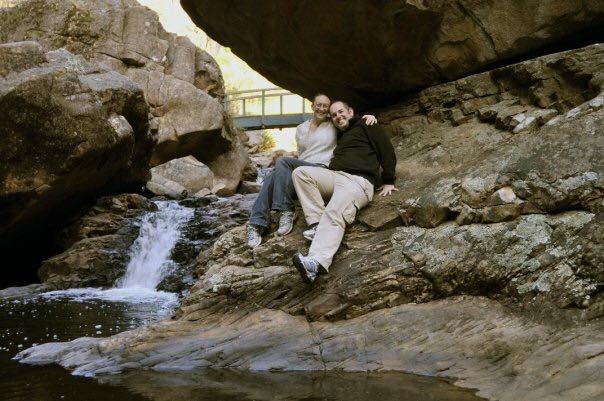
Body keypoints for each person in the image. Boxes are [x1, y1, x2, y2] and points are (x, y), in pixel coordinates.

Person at [246, 94, 377, 248]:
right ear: (312, 106)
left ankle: (285, 210)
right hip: (298, 171)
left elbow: (348, 121)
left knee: (282, 161)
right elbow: (301, 154)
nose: (321, 109)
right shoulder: (301, 128)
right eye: (318, 105)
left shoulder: (332, 125)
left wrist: (368, 117)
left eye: (325, 106)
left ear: (328, 110)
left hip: (319, 171)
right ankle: (256, 224)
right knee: (272, 176)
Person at [291, 100, 397, 283]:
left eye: (341, 112)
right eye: (334, 115)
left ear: (351, 111)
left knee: (334, 212)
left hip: (357, 182)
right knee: (300, 173)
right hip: (335, 176)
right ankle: (316, 225)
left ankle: (316, 262)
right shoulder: (340, 135)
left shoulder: (367, 124)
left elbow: (386, 149)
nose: (338, 116)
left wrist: (389, 180)